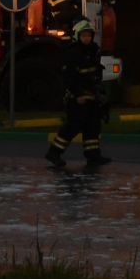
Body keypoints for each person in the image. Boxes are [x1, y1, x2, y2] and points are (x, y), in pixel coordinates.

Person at [45, 18, 111, 170]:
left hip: (92, 96)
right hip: (77, 97)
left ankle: (93, 156)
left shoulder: (94, 50)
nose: (87, 38)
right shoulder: (72, 53)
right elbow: (69, 78)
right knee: (73, 127)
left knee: (93, 126)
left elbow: (95, 74)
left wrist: (100, 93)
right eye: (84, 35)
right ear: (77, 36)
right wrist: (77, 94)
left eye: (89, 35)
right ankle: (54, 153)